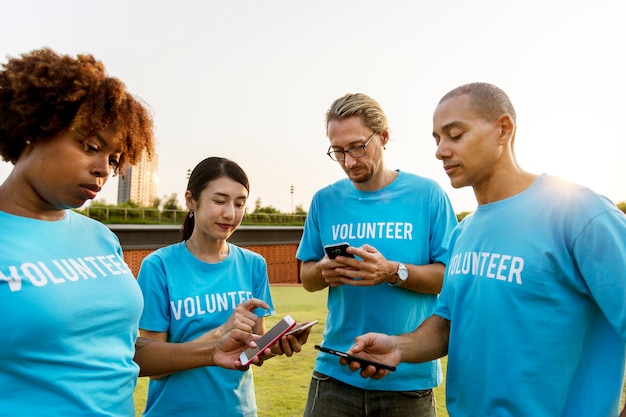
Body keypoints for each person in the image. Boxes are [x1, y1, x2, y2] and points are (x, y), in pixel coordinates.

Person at [0, 48, 268, 417]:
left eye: (113, 159)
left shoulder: (101, 238)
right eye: (90, 146)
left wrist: (211, 349)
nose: (103, 170)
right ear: (35, 127)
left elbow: (129, 352)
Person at [342, 82, 626, 416]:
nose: (440, 151)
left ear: (503, 129)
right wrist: (398, 346)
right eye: (437, 139)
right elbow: (447, 324)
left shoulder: (581, 214)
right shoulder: (464, 233)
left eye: (455, 135)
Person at [296, 93, 458, 416]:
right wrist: (324, 271)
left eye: (357, 147)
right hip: (334, 373)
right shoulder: (323, 201)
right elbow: (307, 277)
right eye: (338, 151)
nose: (349, 161)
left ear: (383, 136)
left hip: (407, 378)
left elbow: (449, 278)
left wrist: (392, 271)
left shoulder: (428, 196)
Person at [137, 156, 312, 417]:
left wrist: (273, 346)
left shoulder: (253, 264)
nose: (230, 213)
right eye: (219, 201)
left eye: (239, 203)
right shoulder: (158, 266)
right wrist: (221, 333)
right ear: (191, 200)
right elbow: (152, 364)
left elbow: (250, 349)